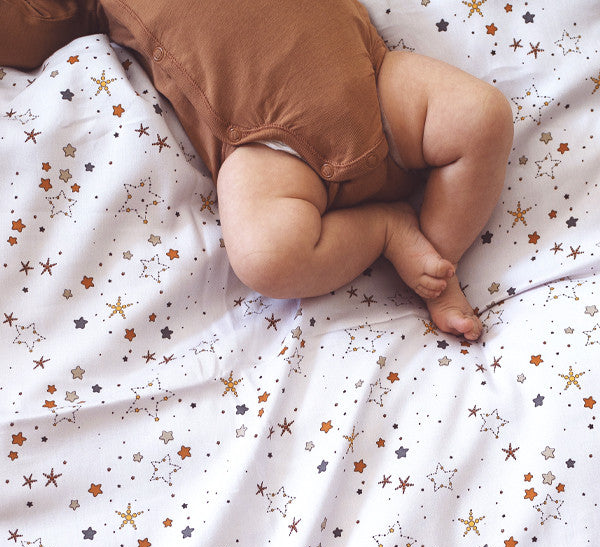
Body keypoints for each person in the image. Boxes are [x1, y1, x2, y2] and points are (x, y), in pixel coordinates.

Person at [1, 0, 513, 340]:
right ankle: (388, 230)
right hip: (267, 144)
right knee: (269, 257)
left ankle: (437, 259)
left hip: (375, 82)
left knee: (481, 117)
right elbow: (25, 27)